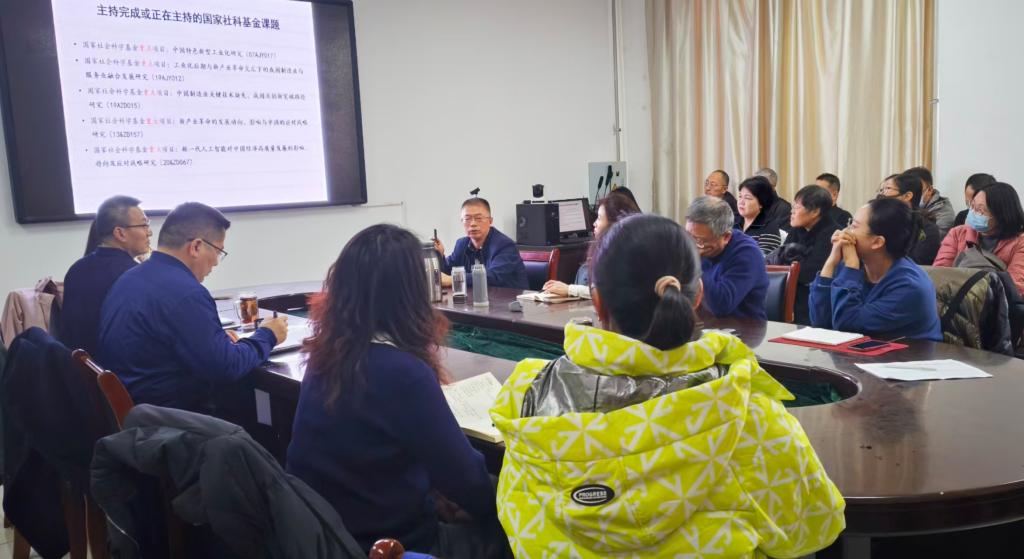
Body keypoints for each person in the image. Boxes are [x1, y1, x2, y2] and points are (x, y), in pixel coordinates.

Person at [491, 214, 845, 558]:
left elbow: (513, 509)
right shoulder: (746, 411)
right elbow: (815, 527)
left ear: (597, 302)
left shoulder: (528, 395)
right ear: (697, 295)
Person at [288, 224, 507, 558]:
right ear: (410, 293)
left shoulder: (326, 355)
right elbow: (469, 481)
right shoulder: (402, 373)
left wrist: (436, 494)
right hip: (392, 545)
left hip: (324, 536)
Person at [98, 202, 288, 411]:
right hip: (173, 419)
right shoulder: (185, 293)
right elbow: (226, 368)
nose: (216, 262)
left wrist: (213, 340)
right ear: (196, 246)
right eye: (218, 251)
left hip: (139, 411)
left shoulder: (130, 279)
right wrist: (268, 335)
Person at [810, 197, 942, 341]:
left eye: (854, 226)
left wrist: (851, 267)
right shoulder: (853, 266)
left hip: (910, 354)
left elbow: (846, 327)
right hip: (862, 352)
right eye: (849, 223)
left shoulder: (910, 287)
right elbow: (820, 323)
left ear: (877, 242)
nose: (844, 232)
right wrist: (830, 263)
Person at [60, 196, 151, 355]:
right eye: (144, 225)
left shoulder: (76, 269)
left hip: (81, 365)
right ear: (120, 233)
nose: (149, 232)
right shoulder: (134, 275)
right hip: (118, 367)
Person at [541, 190, 639, 298]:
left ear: (614, 223)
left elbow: (609, 293)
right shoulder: (610, 251)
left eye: (599, 218)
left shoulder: (627, 256)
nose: (594, 223)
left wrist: (569, 289)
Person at [766, 185, 841, 324]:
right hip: (791, 294)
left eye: (797, 207)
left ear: (815, 211)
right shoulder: (798, 229)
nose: (792, 212)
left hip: (816, 303)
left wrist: (791, 266)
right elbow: (780, 263)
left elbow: (809, 273)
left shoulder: (831, 234)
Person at [685, 196, 769, 319]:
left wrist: (693, 262)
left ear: (726, 237)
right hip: (702, 323)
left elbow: (721, 305)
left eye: (700, 240)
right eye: (688, 235)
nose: (692, 244)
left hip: (744, 327)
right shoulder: (695, 244)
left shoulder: (747, 253)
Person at [935, 182, 1024, 294]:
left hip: (996, 302)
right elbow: (939, 273)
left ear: (1001, 215)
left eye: (979, 210)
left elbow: (1015, 288)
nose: (972, 212)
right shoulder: (958, 233)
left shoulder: (1020, 243)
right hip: (954, 298)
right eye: (972, 206)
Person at [434, 197, 528, 289]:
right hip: (476, 298)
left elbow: (493, 277)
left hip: (509, 298)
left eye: (478, 218)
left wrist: (455, 279)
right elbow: (447, 272)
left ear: (490, 221)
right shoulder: (462, 244)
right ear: (462, 222)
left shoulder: (504, 245)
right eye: (467, 219)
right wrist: (440, 255)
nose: (473, 224)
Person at [877, 173, 941, 265]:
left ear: (907, 196)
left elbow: (917, 262)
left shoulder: (927, 229)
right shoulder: (877, 221)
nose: (881, 194)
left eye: (887, 188)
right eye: (881, 190)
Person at [736, 175, 784, 254]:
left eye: (747, 198)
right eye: (740, 196)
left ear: (761, 203)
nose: (741, 202)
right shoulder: (733, 222)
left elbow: (763, 258)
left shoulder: (768, 227)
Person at [904, 166, 955, 236]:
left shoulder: (944, 212)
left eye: (917, 191)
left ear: (930, 190)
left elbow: (933, 238)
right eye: (908, 192)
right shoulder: (904, 205)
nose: (911, 196)